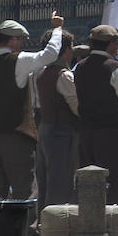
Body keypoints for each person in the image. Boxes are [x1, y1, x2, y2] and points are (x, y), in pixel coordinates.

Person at [0, 13, 64, 198]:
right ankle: (24, 228)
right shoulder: (19, 61)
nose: (22, 43)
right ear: (14, 39)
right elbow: (49, 55)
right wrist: (57, 30)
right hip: (16, 137)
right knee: (24, 192)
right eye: (21, 39)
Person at [74, 24, 118, 205]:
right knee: (114, 182)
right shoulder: (115, 67)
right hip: (111, 134)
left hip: (87, 134)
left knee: (89, 183)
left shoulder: (80, 67)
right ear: (110, 45)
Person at [34, 30, 79, 207]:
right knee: (60, 181)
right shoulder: (64, 75)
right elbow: (77, 108)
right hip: (61, 133)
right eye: (71, 47)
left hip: (45, 129)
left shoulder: (42, 74)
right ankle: (55, 224)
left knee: (44, 180)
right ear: (65, 50)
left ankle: (43, 220)